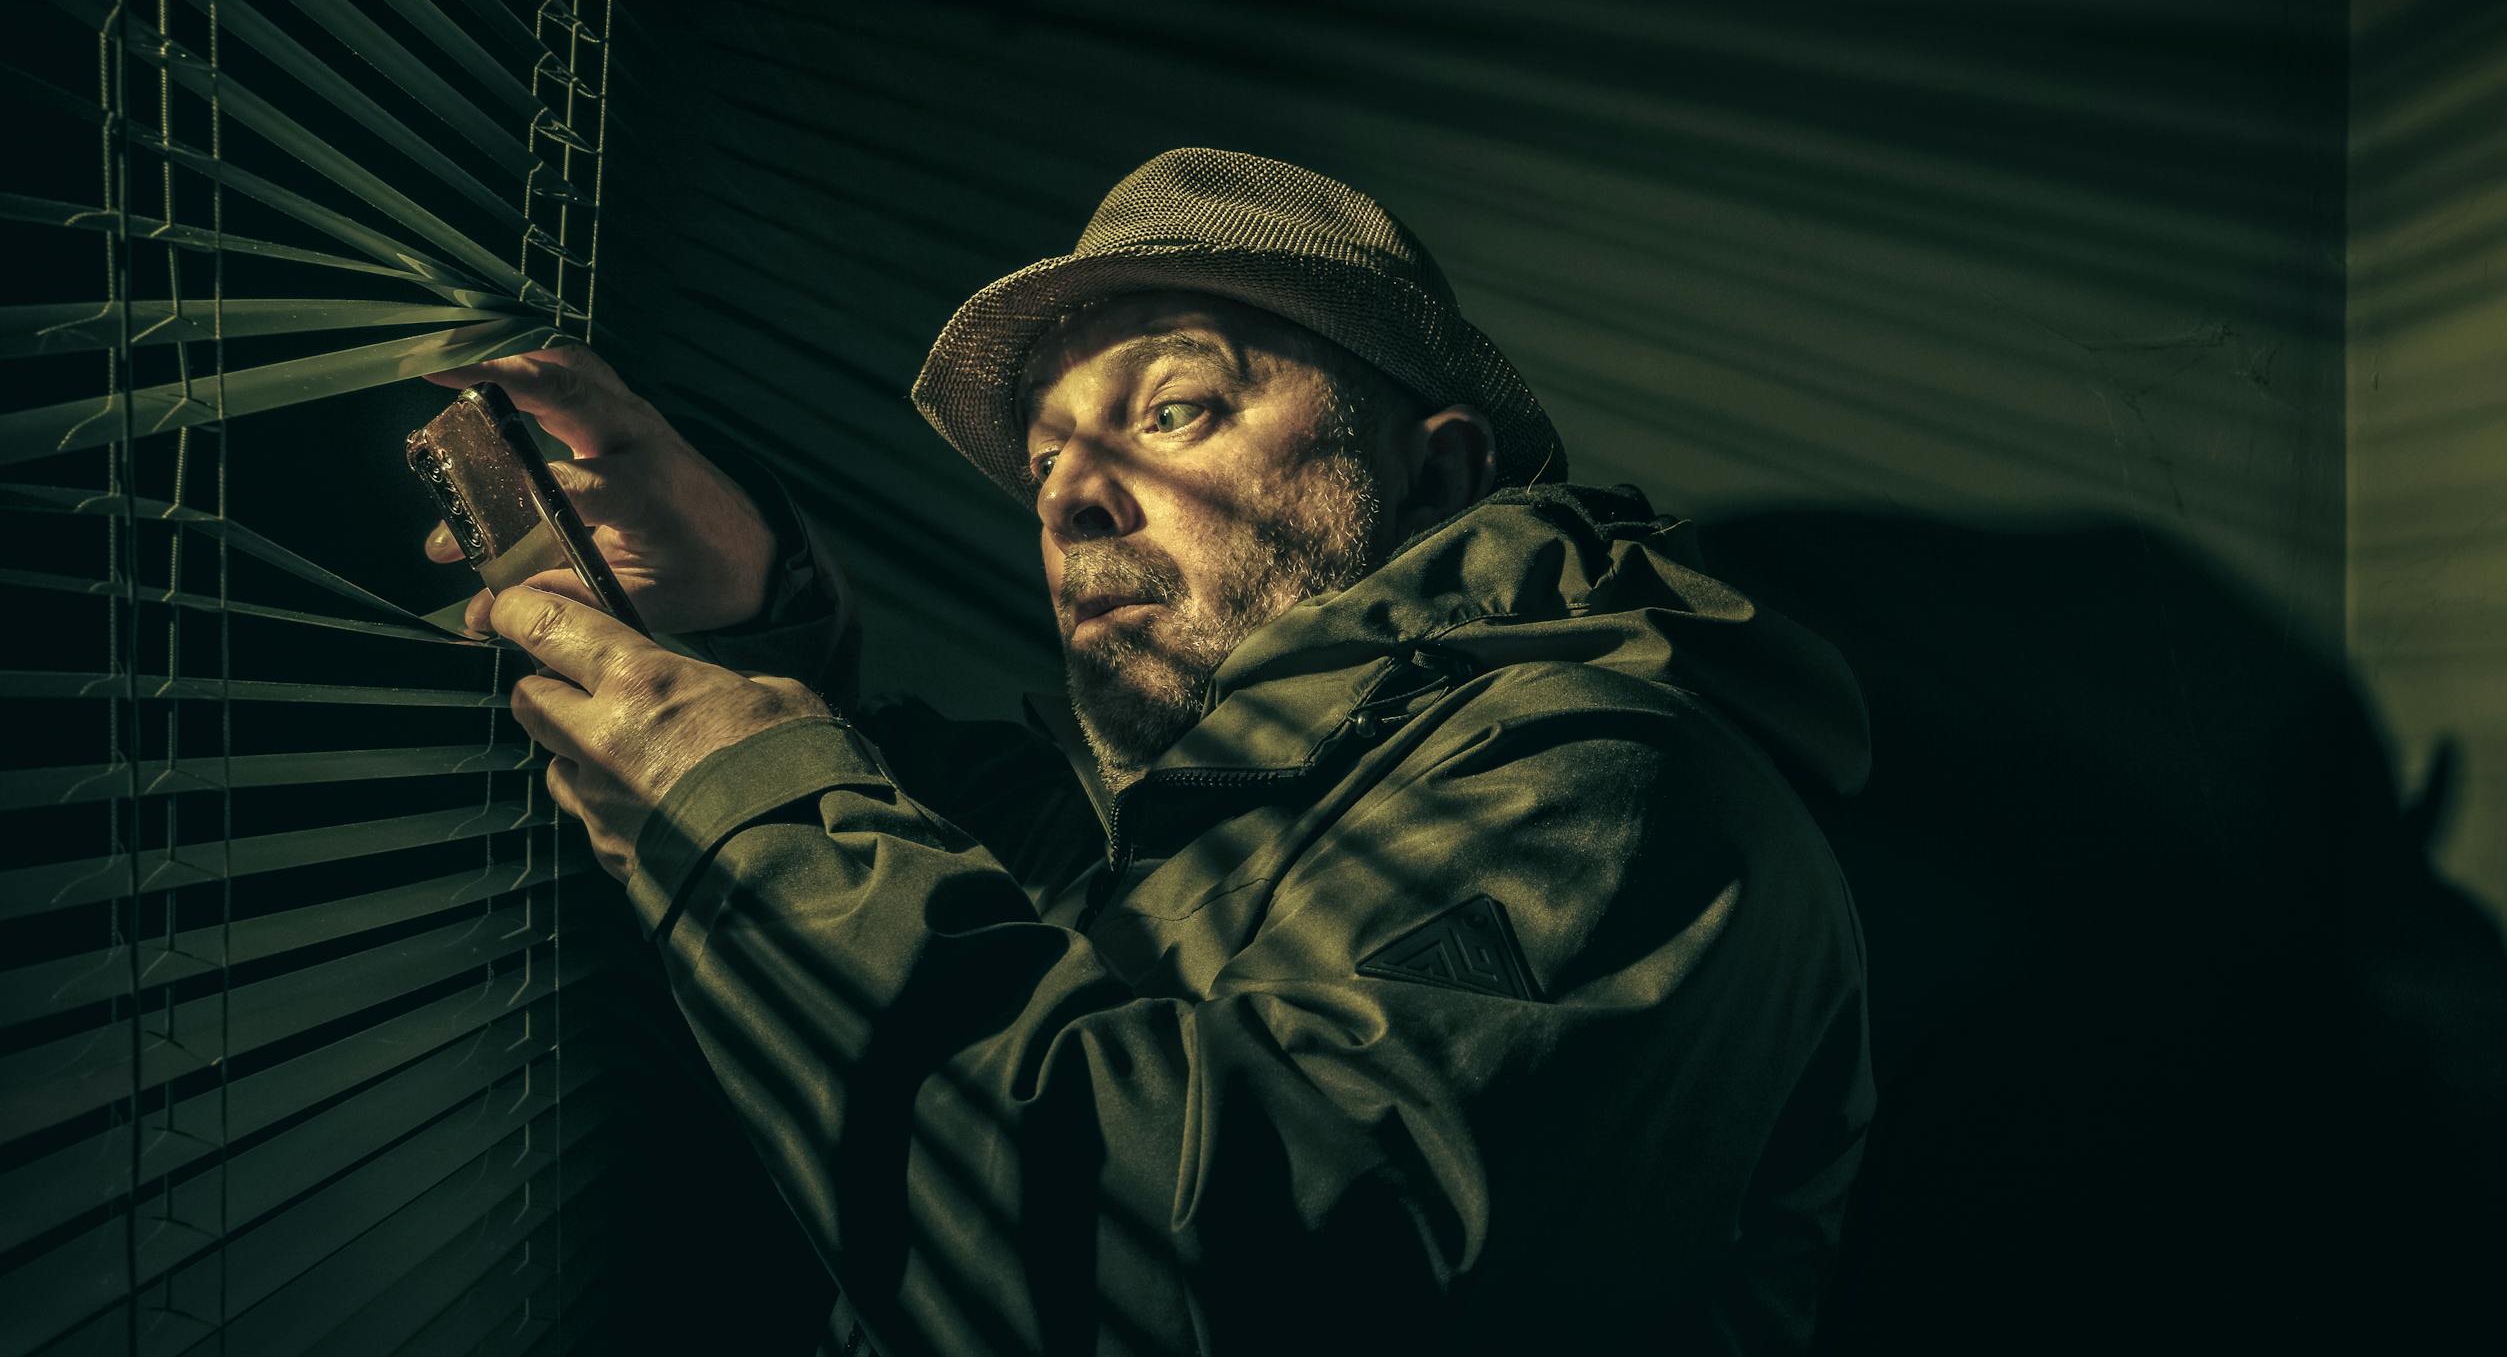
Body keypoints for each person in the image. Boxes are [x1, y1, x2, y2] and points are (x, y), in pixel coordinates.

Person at [421, 149, 1876, 1354]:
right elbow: (976, 873)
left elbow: (1209, 1276)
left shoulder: (1609, 789)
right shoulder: (1205, 820)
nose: (1072, 499)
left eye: (1175, 411)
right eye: (1047, 459)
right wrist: (746, 618)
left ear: (1433, 470)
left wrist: (749, 815)